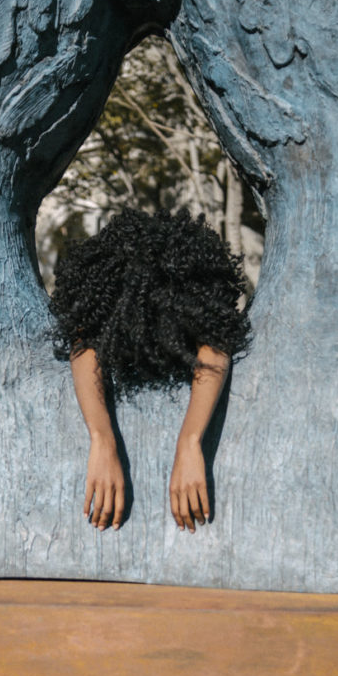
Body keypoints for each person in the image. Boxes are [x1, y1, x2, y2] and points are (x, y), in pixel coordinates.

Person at [50, 207, 251, 533]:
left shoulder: (190, 298)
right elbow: (83, 341)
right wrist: (102, 440)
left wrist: (190, 442)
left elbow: (216, 341)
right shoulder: (107, 303)